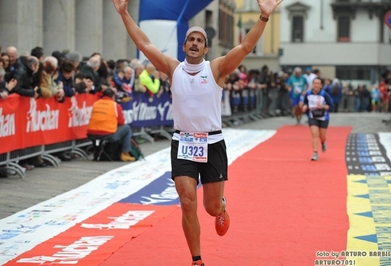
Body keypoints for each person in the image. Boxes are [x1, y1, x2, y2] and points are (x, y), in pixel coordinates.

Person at [111, 0, 283, 265]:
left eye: (199, 40)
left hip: (212, 142)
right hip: (183, 142)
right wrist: (124, 14)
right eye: (190, 39)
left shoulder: (216, 69)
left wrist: (263, 16)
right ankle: (197, 260)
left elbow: (246, 46)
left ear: (205, 48)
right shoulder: (172, 68)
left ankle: (222, 205)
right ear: (183, 46)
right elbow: (145, 44)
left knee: (210, 208)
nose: (193, 43)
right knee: (187, 199)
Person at [87, 88, 136, 162]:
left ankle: (97, 152)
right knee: (127, 128)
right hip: (107, 135)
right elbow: (121, 122)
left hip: (91, 134)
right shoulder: (115, 105)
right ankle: (125, 153)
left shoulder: (96, 103)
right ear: (113, 97)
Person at [301, 77, 334, 161]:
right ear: (312, 84)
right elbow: (305, 102)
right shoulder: (308, 94)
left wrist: (322, 106)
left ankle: (323, 142)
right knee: (314, 134)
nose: (316, 85)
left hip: (323, 117)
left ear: (321, 85)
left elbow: (331, 106)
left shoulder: (324, 94)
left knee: (322, 136)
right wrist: (305, 107)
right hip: (312, 116)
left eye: (318, 84)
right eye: (314, 83)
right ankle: (315, 153)